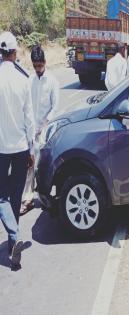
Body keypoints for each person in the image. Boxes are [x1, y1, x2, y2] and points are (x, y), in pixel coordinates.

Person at [0, 31, 33, 268]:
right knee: (14, 195)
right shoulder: (23, 79)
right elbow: (29, 119)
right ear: (14, 52)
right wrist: (32, 148)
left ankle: (13, 236)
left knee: (1, 196)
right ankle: (14, 241)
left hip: (1, 148)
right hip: (21, 146)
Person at [21, 46, 59, 215]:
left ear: (45, 62)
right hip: (31, 130)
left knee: (42, 166)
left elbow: (55, 107)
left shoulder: (52, 81)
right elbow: (26, 107)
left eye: (39, 65)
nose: (37, 68)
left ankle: (44, 197)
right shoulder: (29, 81)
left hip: (45, 131)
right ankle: (28, 199)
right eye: (35, 65)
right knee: (30, 165)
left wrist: (45, 124)